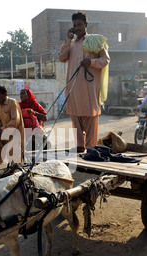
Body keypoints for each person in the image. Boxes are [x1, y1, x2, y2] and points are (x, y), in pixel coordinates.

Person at [58, 11, 110, 152]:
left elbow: (105, 60)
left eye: (80, 24)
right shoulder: (72, 44)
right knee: (76, 117)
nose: (77, 28)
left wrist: (91, 62)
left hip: (89, 88)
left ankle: (91, 148)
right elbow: (61, 58)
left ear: (86, 25)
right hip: (73, 88)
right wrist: (68, 39)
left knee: (90, 117)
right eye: (75, 25)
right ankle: (80, 147)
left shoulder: (95, 41)